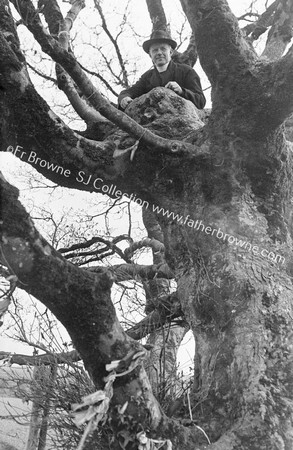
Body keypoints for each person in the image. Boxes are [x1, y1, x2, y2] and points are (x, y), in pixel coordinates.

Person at [118, 29, 206, 110]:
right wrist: (124, 98)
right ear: (150, 55)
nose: (159, 53)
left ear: (171, 52)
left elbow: (201, 101)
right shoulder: (147, 77)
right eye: (155, 50)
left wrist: (182, 91)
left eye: (163, 49)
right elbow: (129, 92)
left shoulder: (186, 71)